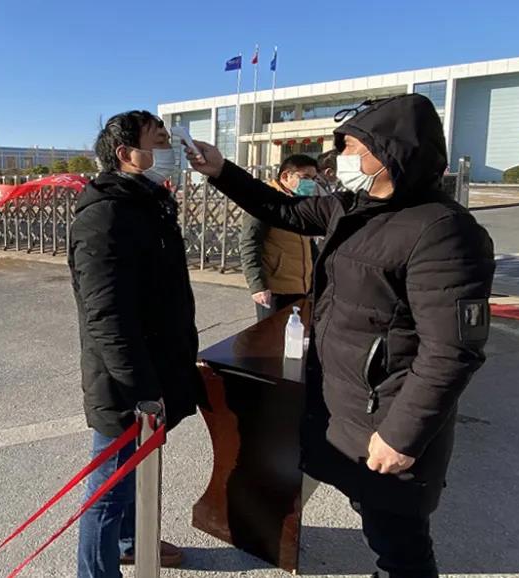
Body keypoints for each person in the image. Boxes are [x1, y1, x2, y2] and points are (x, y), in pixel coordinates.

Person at [186, 94, 495, 578]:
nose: (340, 158)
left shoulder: (443, 232)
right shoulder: (353, 207)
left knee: (402, 546)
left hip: (389, 419)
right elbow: (281, 209)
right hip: (349, 409)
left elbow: (452, 351)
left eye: (351, 147)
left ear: (389, 154)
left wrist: (401, 436)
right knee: (374, 518)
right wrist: (222, 171)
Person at [68, 110, 201, 578]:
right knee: (109, 488)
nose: (171, 150)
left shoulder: (148, 202)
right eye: (160, 141)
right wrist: (141, 388)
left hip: (155, 369)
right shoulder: (104, 215)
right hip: (124, 382)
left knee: (136, 472)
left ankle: (131, 540)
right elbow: (107, 316)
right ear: (127, 154)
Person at [239, 154, 318, 320]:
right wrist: (258, 286)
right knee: (271, 334)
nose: (311, 183)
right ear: (285, 176)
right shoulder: (265, 201)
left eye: (313, 178)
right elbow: (250, 242)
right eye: (305, 177)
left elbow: (308, 243)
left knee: (297, 333)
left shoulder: (300, 203)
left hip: (302, 287)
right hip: (275, 290)